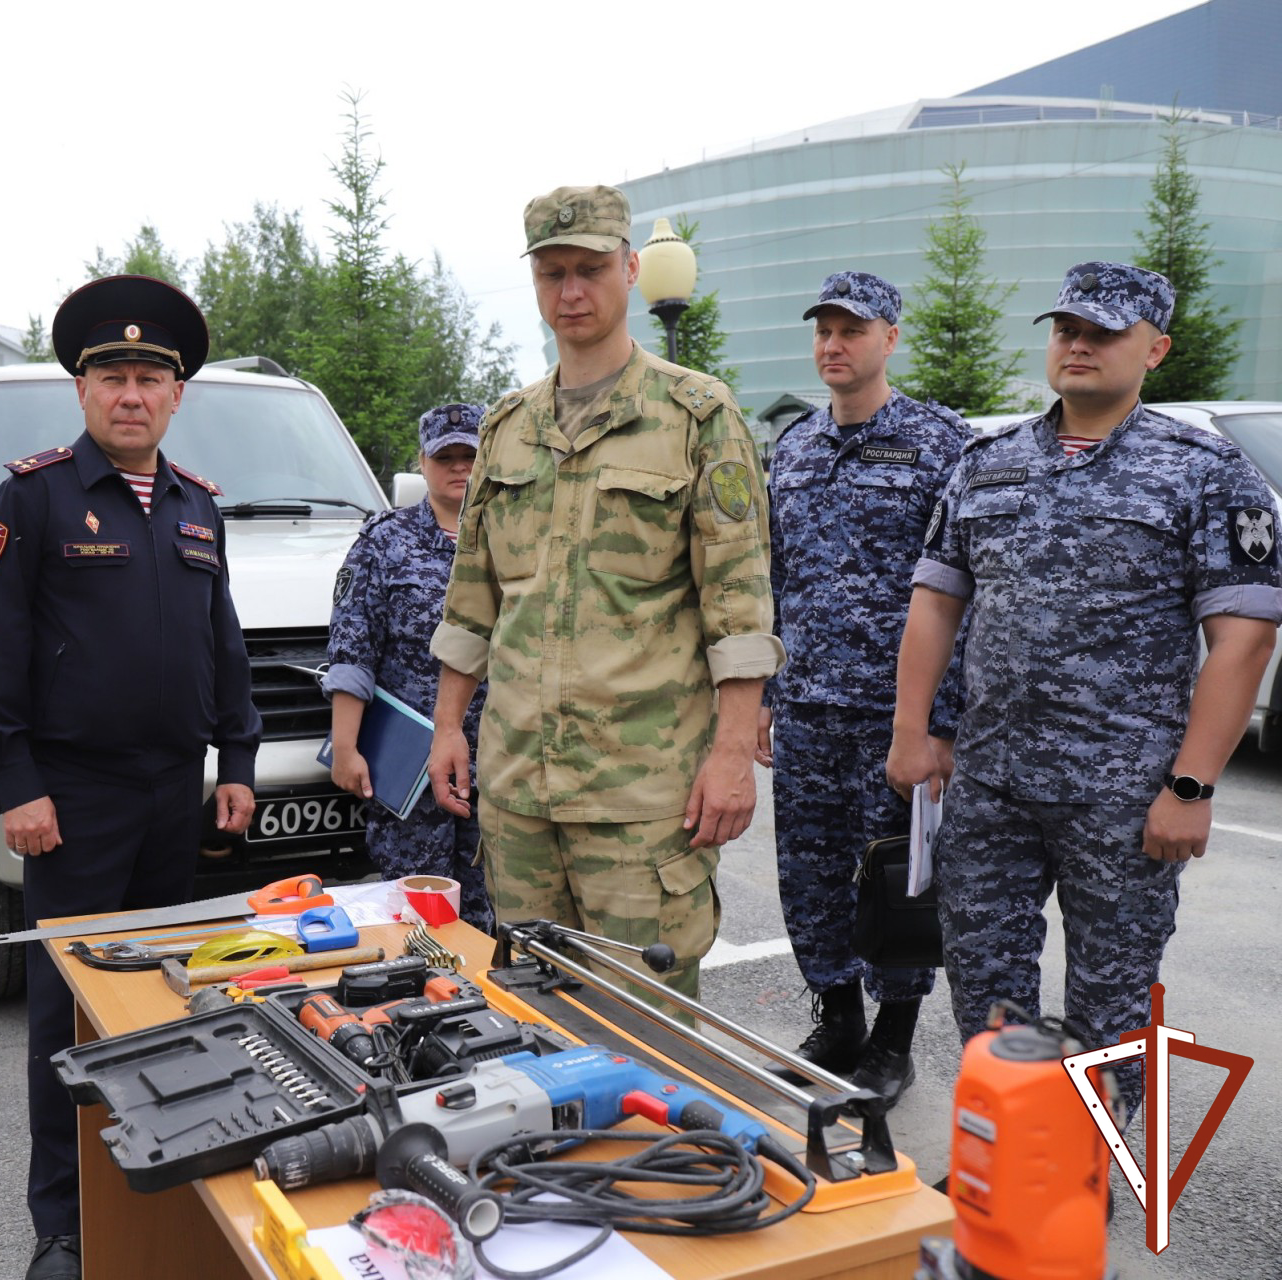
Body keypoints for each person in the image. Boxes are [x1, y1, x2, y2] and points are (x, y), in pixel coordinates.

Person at [887, 261, 1281, 1127]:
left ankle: (1084, 1170)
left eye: (1104, 332)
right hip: (991, 784)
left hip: (1124, 794)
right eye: (1067, 328)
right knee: (985, 988)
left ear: (1155, 350)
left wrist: (1191, 787)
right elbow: (936, 603)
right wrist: (912, 729)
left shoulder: (1206, 472)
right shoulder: (987, 464)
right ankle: (1008, 1155)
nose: (1079, 344)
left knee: (1111, 1001)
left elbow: (1244, 639)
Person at [0, 274, 260, 1280]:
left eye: (149, 379)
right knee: (65, 1009)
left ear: (176, 395)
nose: (131, 395)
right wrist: (15, 784)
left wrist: (237, 759)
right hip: (72, 802)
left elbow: (222, 646)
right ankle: (63, 1222)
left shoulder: (197, 506)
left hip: (173, 794)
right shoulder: (34, 496)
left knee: (158, 999)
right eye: (113, 377)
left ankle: (150, 1193)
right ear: (82, 390)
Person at [425, 184, 784, 1001]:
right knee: (536, 1021)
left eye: (589, 269)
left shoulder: (696, 417)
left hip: (642, 800)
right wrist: (448, 725)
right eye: (552, 273)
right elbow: (472, 597)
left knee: (648, 1028)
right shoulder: (506, 428)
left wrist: (733, 756)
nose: (571, 291)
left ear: (629, 269)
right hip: (518, 793)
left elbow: (738, 608)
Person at [756, 272, 971, 1105]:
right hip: (809, 707)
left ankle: (893, 1041)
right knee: (810, 877)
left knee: (898, 880)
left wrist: (940, 724)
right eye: (824, 330)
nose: (833, 345)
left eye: (852, 330)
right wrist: (767, 693)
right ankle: (839, 1019)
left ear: (890, 338)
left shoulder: (940, 444)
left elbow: (966, 592)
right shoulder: (796, 447)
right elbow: (779, 580)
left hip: (896, 714)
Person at [324, 404, 492, 929]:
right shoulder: (385, 541)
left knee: (491, 912)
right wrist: (345, 746)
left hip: (497, 760)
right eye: (446, 457)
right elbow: (353, 650)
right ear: (422, 462)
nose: (460, 467)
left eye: (471, 455)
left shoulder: (512, 540)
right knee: (415, 913)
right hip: (409, 766)